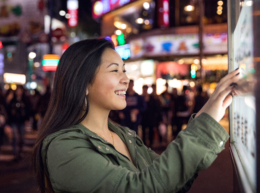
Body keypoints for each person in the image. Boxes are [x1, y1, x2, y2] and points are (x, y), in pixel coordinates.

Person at [32, 39, 240, 193]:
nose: (126, 79)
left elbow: (171, 181)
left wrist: (206, 115)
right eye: (115, 71)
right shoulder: (63, 147)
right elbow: (143, 188)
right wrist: (204, 126)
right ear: (83, 83)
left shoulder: (123, 134)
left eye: (124, 70)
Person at [8, 85, 31, 160]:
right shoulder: (12, 100)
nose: (19, 92)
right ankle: (15, 152)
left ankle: (20, 150)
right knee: (15, 137)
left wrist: (27, 119)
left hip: (22, 120)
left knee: (22, 137)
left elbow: (28, 109)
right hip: (14, 120)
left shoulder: (25, 100)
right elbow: (8, 110)